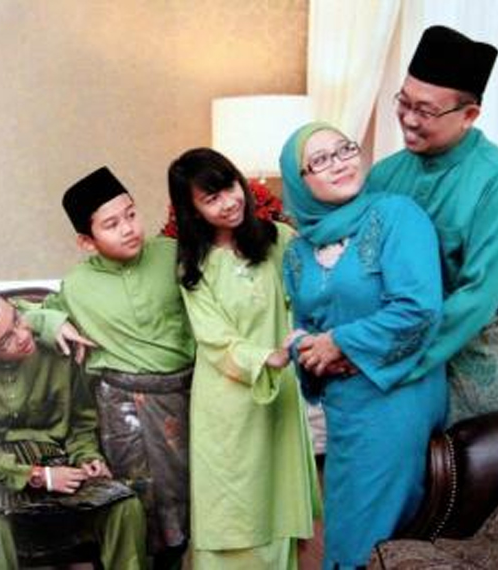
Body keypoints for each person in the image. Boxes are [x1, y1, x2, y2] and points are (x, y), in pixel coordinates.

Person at [280, 122, 448, 569]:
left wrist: (340, 342)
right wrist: (306, 349)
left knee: (374, 535)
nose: (339, 163)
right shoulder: (297, 252)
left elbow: (418, 308)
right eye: (320, 160)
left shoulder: (397, 216)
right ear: (299, 180)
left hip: (397, 391)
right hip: (344, 402)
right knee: (343, 525)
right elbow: (303, 327)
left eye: (345, 149)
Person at [369, 25, 498, 426]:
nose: (408, 119)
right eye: (403, 102)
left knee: (486, 463)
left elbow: (479, 295)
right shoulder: (384, 175)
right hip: (404, 342)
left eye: (425, 111)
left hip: (485, 349)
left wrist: (394, 361)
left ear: (469, 116)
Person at [167, 148, 319, 569]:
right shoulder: (193, 266)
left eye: (229, 187)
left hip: (279, 395)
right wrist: (266, 357)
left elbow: (310, 297)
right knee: (229, 506)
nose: (228, 202)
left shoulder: (280, 240)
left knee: (277, 501)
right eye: (211, 198)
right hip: (225, 401)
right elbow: (213, 338)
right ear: (193, 210)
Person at [0, 281, 147, 570]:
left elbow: (81, 422)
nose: (23, 335)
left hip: (59, 459)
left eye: (17, 319)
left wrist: (88, 457)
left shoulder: (58, 351)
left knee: (124, 505)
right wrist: (39, 476)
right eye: (6, 340)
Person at [44, 166, 194, 569]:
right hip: (123, 408)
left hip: (188, 397)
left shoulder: (172, 253)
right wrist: (52, 321)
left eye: (131, 214)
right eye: (111, 225)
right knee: (136, 500)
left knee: (189, 497)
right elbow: (27, 314)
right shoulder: (77, 285)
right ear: (86, 241)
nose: (128, 228)